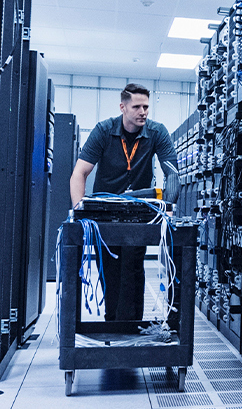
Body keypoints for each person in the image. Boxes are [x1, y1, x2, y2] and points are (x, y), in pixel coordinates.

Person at [69, 83, 178, 321]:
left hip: (138, 212)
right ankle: (112, 323)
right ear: (123, 107)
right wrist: (79, 212)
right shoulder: (104, 131)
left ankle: (130, 326)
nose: (143, 112)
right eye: (137, 106)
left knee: (132, 266)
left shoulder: (157, 132)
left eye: (146, 107)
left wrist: (168, 208)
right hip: (105, 212)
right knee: (109, 267)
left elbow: (172, 174)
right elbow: (80, 173)